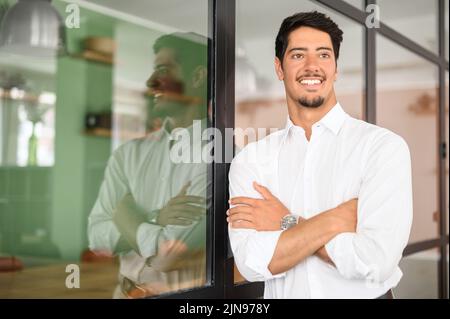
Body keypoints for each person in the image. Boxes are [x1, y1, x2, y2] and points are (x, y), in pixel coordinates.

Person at [227, 11, 413, 299]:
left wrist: (286, 222)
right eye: (298, 55)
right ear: (279, 68)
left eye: (324, 55)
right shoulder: (250, 161)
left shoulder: (383, 148)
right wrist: (336, 220)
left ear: (335, 68)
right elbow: (252, 263)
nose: (312, 67)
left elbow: (375, 261)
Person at [88, 32, 210, 298]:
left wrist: (125, 215)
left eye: (163, 70)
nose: (150, 81)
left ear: (197, 77)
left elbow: (168, 256)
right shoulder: (127, 154)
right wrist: (154, 218)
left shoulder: (218, 156)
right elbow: (96, 234)